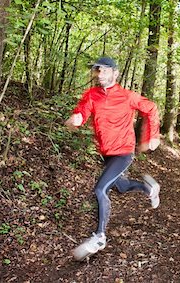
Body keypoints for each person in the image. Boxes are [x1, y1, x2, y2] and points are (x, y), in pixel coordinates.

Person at [65, 56, 161, 261]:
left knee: (101, 189)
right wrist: (77, 119)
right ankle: (149, 189)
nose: (100, 75)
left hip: (124, 151)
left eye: (105, 71)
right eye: (98, 71)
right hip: (106, 152)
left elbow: (151, 109)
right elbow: (83, 111)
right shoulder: (92, 94)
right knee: (122, 186)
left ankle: (99, 236)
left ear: (115, 73)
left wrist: (152, 136)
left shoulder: (127, 96)